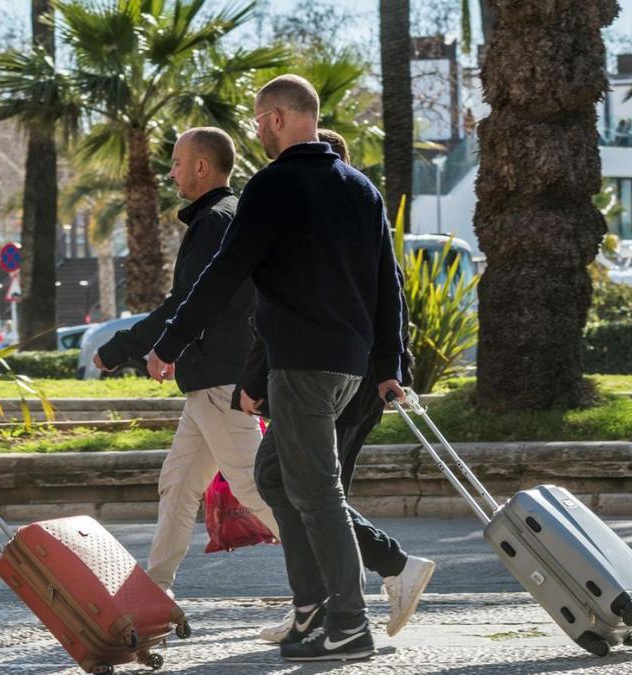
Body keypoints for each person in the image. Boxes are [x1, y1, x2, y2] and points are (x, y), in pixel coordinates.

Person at [147, 75, 406, 662]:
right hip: (345, 368)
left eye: (262, 120)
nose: (257, 130)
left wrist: (170, 342)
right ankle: (312, 609)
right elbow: (387, 285)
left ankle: (348, 623)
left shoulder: (272, 186)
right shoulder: (360, 188)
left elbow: (224, 273)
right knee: (272, 477)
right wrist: (387, 363)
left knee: (318, 492)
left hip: (304, 366)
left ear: (283, 119)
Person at [248, 129, 436, 644]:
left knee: (314, 490)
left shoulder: (341, 217)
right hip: (354, 374)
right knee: (290, 481)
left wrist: (389, 369)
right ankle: (319, 605)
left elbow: (378, 299)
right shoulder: (347, 213)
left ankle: (363, 594)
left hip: (347, 379)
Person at [93, 127, 277, 594]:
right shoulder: (231, 215)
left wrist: (124, 348)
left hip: (221, 380)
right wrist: (175, 348)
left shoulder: (215, 220)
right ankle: (155, 588)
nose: (170, 173)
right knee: (177, 484)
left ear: (201, 166)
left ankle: (341, 580)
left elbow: (191, 301)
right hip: (211, 378)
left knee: (257, 490)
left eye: (177, 164)